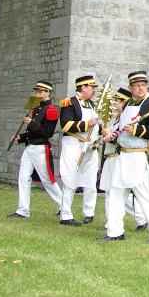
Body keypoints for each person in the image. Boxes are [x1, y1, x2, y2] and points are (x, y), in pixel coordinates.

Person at [99, 78, 149, 244]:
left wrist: (136, 129)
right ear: (131, 87)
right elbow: (123, 130)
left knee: (145, 195)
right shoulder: (128, 104)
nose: (140, 88)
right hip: (122, 156)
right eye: (136, 86)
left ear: (147, 86)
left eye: (143, 85)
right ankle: (115, 231)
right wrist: (115, 136)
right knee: (116, 194)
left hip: (138, 155)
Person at [9, 80, 63, 219]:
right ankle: (23, 210)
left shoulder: (51, 110)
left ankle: (64, 205)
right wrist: (20, 137)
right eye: (37, 91)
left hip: (41, 148)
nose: (37, 94)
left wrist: (31, 122)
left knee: (47, 180)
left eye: (40, 91)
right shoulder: (35, 108)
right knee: (23, 177)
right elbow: (32, 132)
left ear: (47, 93)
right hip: (30, 147)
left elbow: (47, 132)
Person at [98, 88, 146, 229]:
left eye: (117, 101)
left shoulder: (126, 119)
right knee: (110, 192)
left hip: (118, 157)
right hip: (110, 157)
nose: (114, 104)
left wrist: (108, 135)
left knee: (123, 193)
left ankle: (142, 218)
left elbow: (121, 139)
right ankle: (111, 223)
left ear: (124, 102)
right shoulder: (116, 119)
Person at [56, 74, 100, 227]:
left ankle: (89, 212)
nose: (93, 90)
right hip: (74, 145)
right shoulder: (69, 103)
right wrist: (85, 124)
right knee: (70, 178)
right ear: (82, 87)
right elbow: (65, 126)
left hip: (90, 146)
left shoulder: (93, 105)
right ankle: (65, 214)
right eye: (91, 87)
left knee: (90, 180)